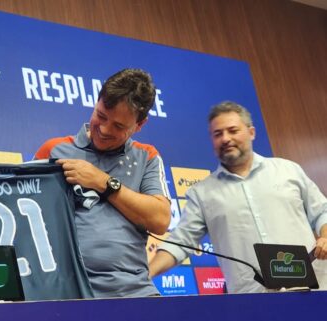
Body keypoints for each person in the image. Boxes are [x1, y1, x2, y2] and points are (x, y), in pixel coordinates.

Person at [148, 101, 327, 293]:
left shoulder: (288, 170)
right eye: (218, 134)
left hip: (315, 294)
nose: (225, 139)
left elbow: (322, 212)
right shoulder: (201, 193)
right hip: (252, 305)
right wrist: (145, 275)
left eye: (233, 130)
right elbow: (181, 241)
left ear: (251, 133)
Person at [34, 68, 171, 297]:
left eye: (119, 126)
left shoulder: (146, 156)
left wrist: (104, 182)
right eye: (101, 116)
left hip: (133, 292)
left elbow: (160, 219)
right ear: (96, 103)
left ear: (140, 125)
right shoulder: (54, 150)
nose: (105, 130)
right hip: (67, 293)